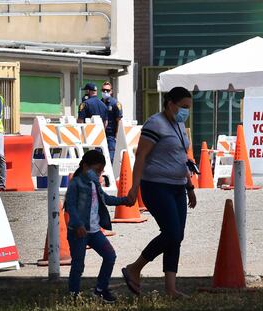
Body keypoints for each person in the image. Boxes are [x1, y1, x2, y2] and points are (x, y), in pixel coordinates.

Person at [123, 87, 197, 298]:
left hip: (177, 187)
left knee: (176, 237)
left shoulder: (180, 125)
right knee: (172, 233)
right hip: (156, 186)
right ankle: (134, 268)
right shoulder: (155, 124)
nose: (186, 112)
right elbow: (141, 157)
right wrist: (134, 187)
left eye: (188, 108)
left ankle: (171, 288)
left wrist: (189, 186)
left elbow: (182, 158)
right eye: (183, 107)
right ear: (170, 103)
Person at [65, 150, 131, 303]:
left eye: (101, 171)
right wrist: (78, 225)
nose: (99, 174)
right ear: (85, 166)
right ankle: (73, 296)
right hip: (78, 232)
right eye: (96, 170)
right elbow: (70, 207)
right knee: (78, 265)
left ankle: (100, 290)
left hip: (94, 231)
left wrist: (124, 200)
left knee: (110, 256)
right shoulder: (75, 183)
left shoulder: (95, 183)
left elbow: (105, 199)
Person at [101, 82, 122, 163]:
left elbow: (119, 120)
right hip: (100, 134)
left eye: (107, 90)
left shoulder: (115, 103)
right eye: (103, 90)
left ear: (111, 91)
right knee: (99, 156)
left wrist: (117, 134)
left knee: (110, 157)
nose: (105, 92)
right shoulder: (99, 102)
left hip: (111, 135)